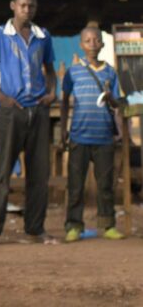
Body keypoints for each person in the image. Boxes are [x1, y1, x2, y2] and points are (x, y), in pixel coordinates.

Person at [0, 0, 58, 246]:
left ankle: (35, 229)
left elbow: (50, 69)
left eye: (32, 5)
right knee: (2, 173)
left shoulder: (42, 36)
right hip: (10, 111)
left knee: (39, 174)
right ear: (13, 6)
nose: (27, 9)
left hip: (39, 110)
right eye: (23, 5)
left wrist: (52, 92)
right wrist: (2, 98)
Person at [61, 27, 125, 241]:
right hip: (79, 136)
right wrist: (63, 129)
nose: (92, 44)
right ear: (81, 45)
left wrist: (110, 98)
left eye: (96, 40)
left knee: (106, 185)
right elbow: (64, 101)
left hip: (104, 138)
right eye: (88, 41)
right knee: (75, 185)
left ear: (102, 44)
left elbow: (118, 104)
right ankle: (74, 226)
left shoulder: (110, 72)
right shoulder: (73, 72)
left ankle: (108, 225)